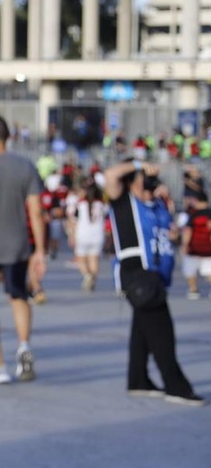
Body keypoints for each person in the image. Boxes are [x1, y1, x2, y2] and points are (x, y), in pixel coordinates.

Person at [104, 159, 206, 406]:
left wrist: (174, 232)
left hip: (157, 277)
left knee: (142, 329)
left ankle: (138, 380)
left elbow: (169, 233)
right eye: (143, 178)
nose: (149, 182)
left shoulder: (158, 205)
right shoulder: (124, 202)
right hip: (138, 274)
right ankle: (176, 386)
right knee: (163, 333)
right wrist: (138, 164)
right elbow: (110, 175)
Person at [0, 115, 48, 385]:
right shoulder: (25, 165)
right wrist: (40, 250)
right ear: (9, 136)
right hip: (17, 244)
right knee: (18, 297)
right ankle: (24, 346)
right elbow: (36, 211)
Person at [66, 177, 108, 293]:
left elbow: (72, 221)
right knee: (94, 259)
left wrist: (71, 235)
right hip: (98, 234)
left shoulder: (80, 205)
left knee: (81, 259)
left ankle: (87, 275)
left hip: (82, 234)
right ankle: (93, 278)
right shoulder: (102, 205)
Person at [180, 189, 211, 300]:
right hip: (208, 248)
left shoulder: (193, 214)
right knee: (209, 271)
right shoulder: (209, 213)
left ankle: (193, 290)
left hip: (194, 248)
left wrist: (184, 245)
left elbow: (188, 231)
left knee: (190, 270)